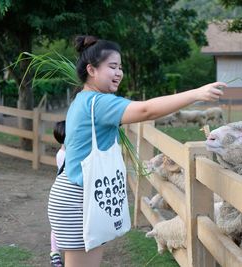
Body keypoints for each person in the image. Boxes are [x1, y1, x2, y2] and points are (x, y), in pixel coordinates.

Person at [47, 35, 226, 267]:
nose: (119, 73)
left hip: (84, 196)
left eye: (120, 67)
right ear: (91, 70)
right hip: (79, 200)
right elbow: (146, 110)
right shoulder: (98, 103)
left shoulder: (84, 99)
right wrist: (195, 94)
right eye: (112, 67)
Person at [50, 120, 66, 267]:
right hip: (64, 194)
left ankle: (55, 252)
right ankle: (55, 252)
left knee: (58, 224)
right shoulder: (64, 155)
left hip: (60, 192)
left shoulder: (60, 153)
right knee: (58, 225)